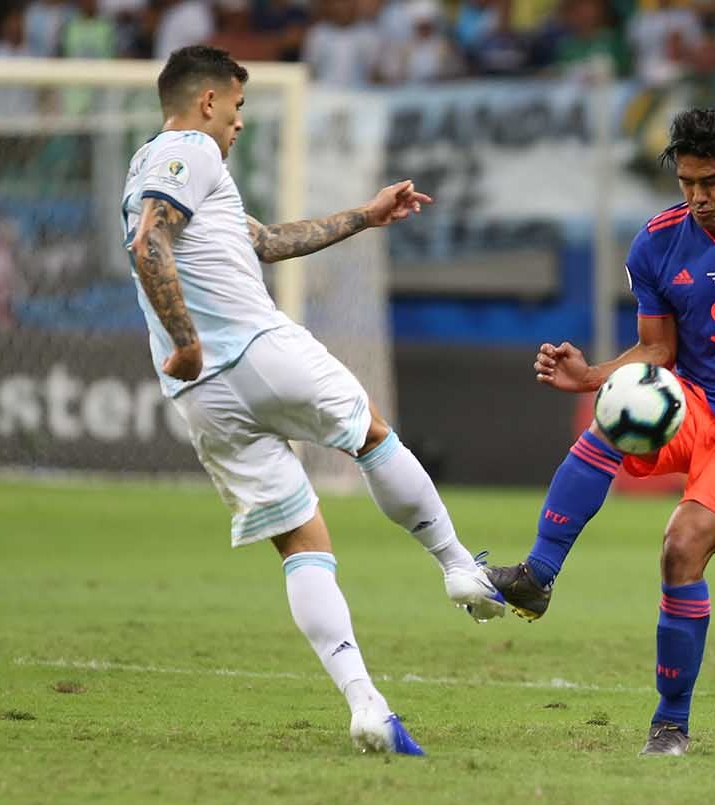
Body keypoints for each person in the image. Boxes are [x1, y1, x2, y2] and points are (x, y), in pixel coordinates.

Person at [121, 46, 505, 755]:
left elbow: (265, 242)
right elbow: (150, 245)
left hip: (202, 396)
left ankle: (366, 707)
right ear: (208, 102)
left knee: (301, 543)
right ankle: (459, 566)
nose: (239, 124)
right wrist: (188, 338)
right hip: (251, 350)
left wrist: (365, 214)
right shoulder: (187, 150)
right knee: (371, 434)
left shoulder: (159, 168)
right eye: (237, 108)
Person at [484, 109, 715, 756]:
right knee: (616, 412)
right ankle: (537, 576)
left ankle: (670, 724)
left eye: (711, 182)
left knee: (680, 549)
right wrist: (591, 376)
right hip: (691, 403)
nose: (698, 197)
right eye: (686, 183)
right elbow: (657, 350)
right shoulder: (656, 243)